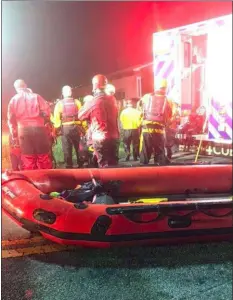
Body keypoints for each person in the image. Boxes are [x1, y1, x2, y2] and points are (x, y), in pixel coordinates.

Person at [7, 79, 52, 170]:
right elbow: (47, 113)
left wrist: (14, 132)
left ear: (16, 88)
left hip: (23, 131)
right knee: (43, 156)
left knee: (28, 158)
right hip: (39, 129)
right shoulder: (36, 97)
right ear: (25, 85)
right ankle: (46, 180)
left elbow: (11, 119)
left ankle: (31, 180)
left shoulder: (13, 100)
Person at [78, 74, 119, 168]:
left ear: (94, 86)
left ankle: (105, 181)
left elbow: (81, 116)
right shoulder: (113, 99)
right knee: (114, 163)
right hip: (114, 136)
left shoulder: (93, 101)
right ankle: (114, 181)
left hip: (100, 138)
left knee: (103, 164)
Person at [139, 78, 172, 165]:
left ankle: (142, 168)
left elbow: (140, 109)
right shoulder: (168, 100)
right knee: (159, 150)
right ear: (165, 88)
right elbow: (170, 114)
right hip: (160, 129)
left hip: (147, 127)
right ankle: (159, 168)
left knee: (145, 150)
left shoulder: (146, 97)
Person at [53, 85, 85, 168]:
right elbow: (82, 116)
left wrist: (56, 130)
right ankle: (81, 164)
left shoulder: (59, 104)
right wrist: (84, 128)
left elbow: (56, 119)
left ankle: (69, 165)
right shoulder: (77, 102)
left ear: (63, 93)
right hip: (77, 127)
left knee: (67, 148)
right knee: (78, 147)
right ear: (71, 92)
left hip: (65, 129)